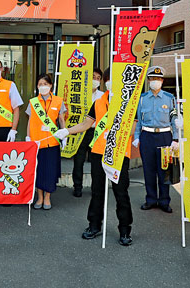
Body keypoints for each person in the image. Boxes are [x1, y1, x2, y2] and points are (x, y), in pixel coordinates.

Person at [54, 68, 134, 246]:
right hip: (98, 152)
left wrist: (115, 132)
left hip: (119, 153)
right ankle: (94, 225)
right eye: (109, 79)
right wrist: (67, 131)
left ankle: (124, 229)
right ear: (106, 82)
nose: (111, 82)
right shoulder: (98, 103)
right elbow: (86, 124)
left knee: (121, 192)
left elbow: (132, 129)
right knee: (97, 191)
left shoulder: (128, 102)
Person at [133, 66, 178, 213]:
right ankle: (151, 199)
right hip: (147, 137)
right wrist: (136, 136)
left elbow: (174, 119)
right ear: (148, 81)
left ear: (162, 81)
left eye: (158, 79)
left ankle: (164, 201)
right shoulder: (142, 99)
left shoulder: (170, 99)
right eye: (152, 79)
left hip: (165, 137)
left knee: (164, 170)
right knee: (148, 169)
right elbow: (139, 120)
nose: (155, 81)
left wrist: (175, 139)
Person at [26, 74, 66, 210]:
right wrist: (27, 137)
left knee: (50, 171)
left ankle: (47, 197)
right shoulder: (33, 102)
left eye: (45, 84)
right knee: (38, 171)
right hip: (37, 143)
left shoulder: (58, 101)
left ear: (50, 86)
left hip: (52, 143)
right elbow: (30, 121)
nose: (42, 87)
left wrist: (64, 135)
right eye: (40, 84)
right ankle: (40, 197)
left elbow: (61, 120)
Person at [72, 67, 104, 197]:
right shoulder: (79, 94)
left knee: (96, 162)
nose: (95, 80)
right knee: (78, 161)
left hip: (96, 131)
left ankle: (95, 188)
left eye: (98, 78)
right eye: (93, 77)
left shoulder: (103, 96)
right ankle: (77, 187)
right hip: (80, 131)